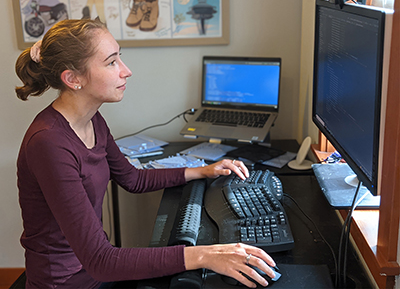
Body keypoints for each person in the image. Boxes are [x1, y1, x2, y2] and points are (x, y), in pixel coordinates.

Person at [15, 18, 277, 289]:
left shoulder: (92, 120)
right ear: (73, 79)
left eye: (120, 58)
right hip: (66, 282)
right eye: (111, 62)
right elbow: (101, 260)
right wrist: (206, 255)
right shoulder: (49, 143)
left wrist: (202, 171)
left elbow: (132, 179)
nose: (126, 71)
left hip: (92, 271)